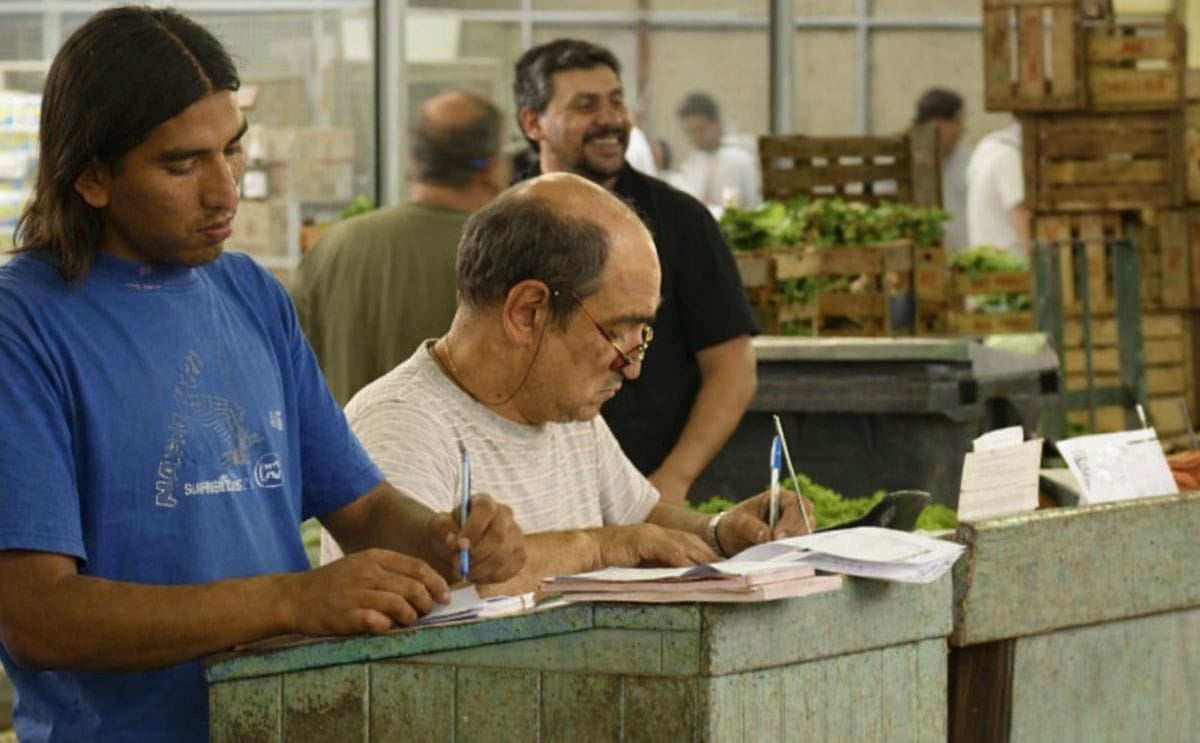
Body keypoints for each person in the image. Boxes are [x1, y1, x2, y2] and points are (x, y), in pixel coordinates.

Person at [0, 8, 524, 741]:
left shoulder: (248, 292)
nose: (224, 191)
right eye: (182, 165)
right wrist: (291, 599)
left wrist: (442, 538)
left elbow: (361, 506)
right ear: (90, 174)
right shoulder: (22, 324)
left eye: (234, 151)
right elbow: (38, 616)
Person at [322, 172, 812, 593]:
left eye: (643, 334)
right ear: (528, 311)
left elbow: (639, 521)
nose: (633, 365)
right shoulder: (404, 424)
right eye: (617, 332)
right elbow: (421, 592)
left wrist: (724, 533)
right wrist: (598, 549)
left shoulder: (564, 409)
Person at [512, 39, 759, 505]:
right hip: (529, 494)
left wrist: (674, 479)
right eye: (586, 106)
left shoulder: (681, 221)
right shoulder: (503, 222)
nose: (610, 119)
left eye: (616, 101)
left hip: (651, 492)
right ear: (533, 122)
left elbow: (733, 365)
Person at [292, 90, 509, 405]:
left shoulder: (332, 248)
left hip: (343, 451)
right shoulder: (502, 261)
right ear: (491, 169)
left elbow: (291, 373)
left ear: (413, 159)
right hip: (447, 454)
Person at [670, 91, 762, 210]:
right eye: (690, 131)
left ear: (717, 124)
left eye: (700, 129)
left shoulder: (737, 160)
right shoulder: (694, 162)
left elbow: (738, 208)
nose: (695, 137)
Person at [913, 87, 968, 251]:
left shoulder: (968, 164)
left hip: (964, 264)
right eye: (958, 121)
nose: (963, 130)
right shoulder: (899, 166)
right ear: (937, 124)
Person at [966, 120, 1029, 259]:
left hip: (985, 258)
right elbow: (1020, 212)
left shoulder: (986, 149)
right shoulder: (1008, 156)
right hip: (1010, 264)